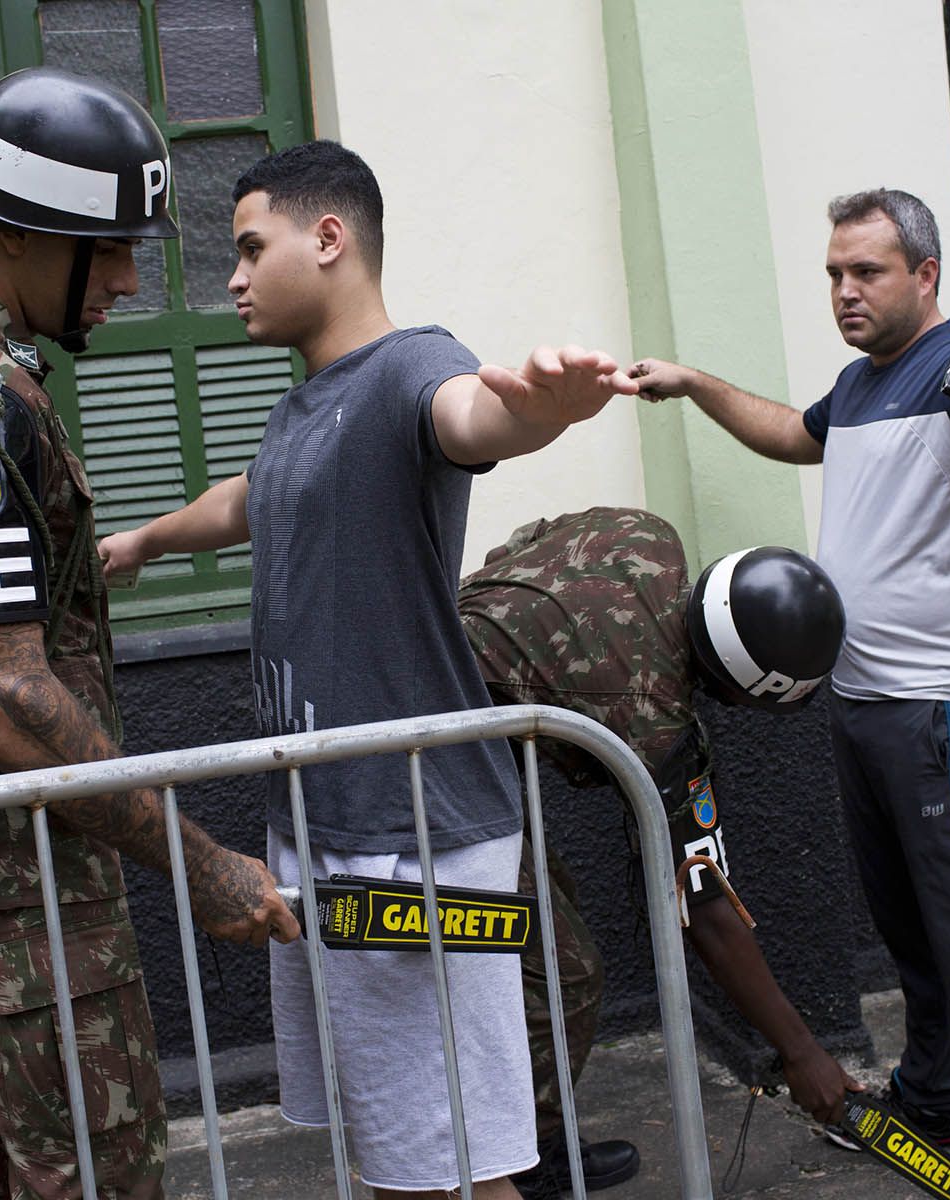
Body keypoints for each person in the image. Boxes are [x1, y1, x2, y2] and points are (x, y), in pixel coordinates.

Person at [97, 141, 637, 1199]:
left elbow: (472, 417)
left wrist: (545, 410)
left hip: (415, 839)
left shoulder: (410, 368)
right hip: (323, 826)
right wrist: (145, 542)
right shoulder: (307, 405)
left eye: (250, 248)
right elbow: (248, 496)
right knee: (403, 1156)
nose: (234, 278)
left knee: (456, 1164)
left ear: (329, 238)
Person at [0, 68, 299, 1200]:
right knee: (92, 1172)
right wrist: (204, 864)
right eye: (113, 250)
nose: (131, 281)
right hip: (16, 880)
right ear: (27, 239)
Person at [628, 188, 950, 1200]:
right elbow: (795, 432)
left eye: (865, 271)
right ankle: (934, 1099)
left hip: (949, 709)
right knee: (912, 923)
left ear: (924, 275)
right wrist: (693, 382)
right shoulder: (864, 383)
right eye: (833, 272)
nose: (844, 291)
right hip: (864, 702)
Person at [458, 506, 860, 1198]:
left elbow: (517, 548)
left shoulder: (646, 533)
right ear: (740, 687)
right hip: (427, 754)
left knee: (548, 917)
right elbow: (704, 910)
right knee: (563, 968)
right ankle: (514, 1161)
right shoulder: (654, 718)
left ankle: (524, 1138)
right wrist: (801, 1053)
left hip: (432, 682)